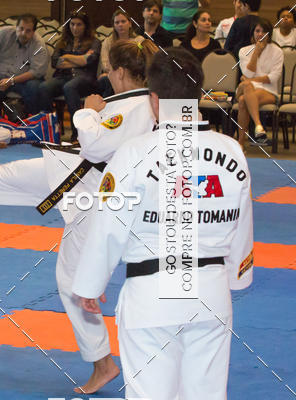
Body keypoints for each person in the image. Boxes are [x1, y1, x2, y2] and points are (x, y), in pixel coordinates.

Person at [0, 39, 159, 394]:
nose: (107, 77)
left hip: (94, 191)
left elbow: (95, 145)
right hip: (82, 178)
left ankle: (103, 363)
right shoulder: (143, 103)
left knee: (72, 279)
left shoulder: (132, 107)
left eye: (108, 71)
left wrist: (87, 111)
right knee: (15, 176)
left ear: (117, 71)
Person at [73, 47, 254, 400]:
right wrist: (238, 276)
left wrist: (90, 285)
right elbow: (240, 223)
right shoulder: (232, 150)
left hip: (152, 296)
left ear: (153, 100)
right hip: (212, 294)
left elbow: (108, 226)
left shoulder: (135, 153)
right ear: (198, 95)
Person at [38, 10, 101, 142]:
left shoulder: (94, 42)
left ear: (85, 26)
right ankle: (51, 129)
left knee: (70, 87)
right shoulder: (63, 42)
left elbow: (88, 60)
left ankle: (77, 134)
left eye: (79, 25)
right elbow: (55, 62)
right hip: (63, 77)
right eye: (72, 24)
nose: (75, 28)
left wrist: (66, 56)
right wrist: (79, 60)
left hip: (85, 78)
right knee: (44, 87)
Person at [0, 14, 48, 115]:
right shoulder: (5, 33)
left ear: (33, 32)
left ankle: (31, 119)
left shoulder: (39, 45)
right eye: (21, 29)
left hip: (25, 81)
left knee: (34, 88)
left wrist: (11, 81)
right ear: (16, 27)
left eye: (28, 31)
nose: (23, 33)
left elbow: (35, 72)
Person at [237, 18, 283, 147]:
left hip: (269, 90)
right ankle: (258, 125)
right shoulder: (244, 50)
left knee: (242, 100)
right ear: (253, 33)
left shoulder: (277, 51)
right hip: (249, 89)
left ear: (269, 34)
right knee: (247, 86)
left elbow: (273, 77)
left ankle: (241, 143)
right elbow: (248, 73)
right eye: (257, 31)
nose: (260, 34)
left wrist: (249, 80)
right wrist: (256, 52)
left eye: (264, 31)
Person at [97, 10, 145, 98]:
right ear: (114, 25)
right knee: (105, 80)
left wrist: (125, 72)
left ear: (130, 24)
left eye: (123, 21)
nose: (120, 25)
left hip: (134, 73)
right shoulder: (108, 42)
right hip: (113, 73)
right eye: (117, 22)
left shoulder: (139, 40)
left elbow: (142, 58)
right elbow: (105, 64)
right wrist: (114, 71)